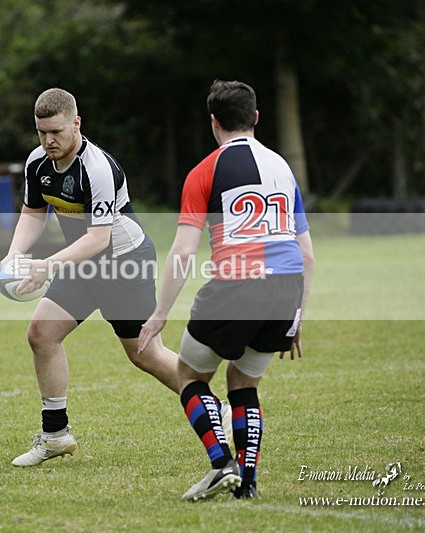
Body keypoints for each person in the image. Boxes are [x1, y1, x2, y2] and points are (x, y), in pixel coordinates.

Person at [3, 88, 230, 467]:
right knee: (41, 333)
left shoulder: (97, 167)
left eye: (56, 131)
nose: (49, 141)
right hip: (81, 263)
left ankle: (213, 407)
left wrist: (47, 265)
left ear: (77, 123)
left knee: (144, 353)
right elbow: (32, 212)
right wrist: (15, 254)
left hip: (123, 263)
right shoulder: (37, 163)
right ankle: (56, 435)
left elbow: (99, 238)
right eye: (41, 133)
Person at [138, 80, 315, 501]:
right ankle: (247, 482)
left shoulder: (205, 171)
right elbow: (306, 253)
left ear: (213, 122)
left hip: (237, 286)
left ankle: (221, 465)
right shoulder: (283, 168)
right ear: (256, 117)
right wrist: (297, 317)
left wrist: (160, 313)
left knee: (188, 374)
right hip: (286, 289)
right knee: (244, 382)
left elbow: (183, 250)